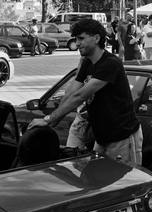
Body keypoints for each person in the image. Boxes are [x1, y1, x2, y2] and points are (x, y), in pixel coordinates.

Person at [27, 19, 143, 164]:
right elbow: (70, 93)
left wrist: (47, 120)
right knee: (96, 183)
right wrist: (51, 124)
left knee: (125, 185)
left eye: (81, 38)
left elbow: (80, 96)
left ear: (96, 38)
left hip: (122, 138)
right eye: (76, 39)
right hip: (101, 139)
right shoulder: (88, 62)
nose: (77, 43)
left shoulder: (111, 63)